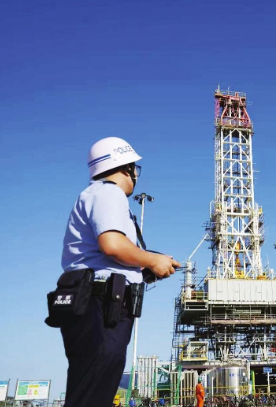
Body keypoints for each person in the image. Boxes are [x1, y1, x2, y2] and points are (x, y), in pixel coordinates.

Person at [57, 137, 181, 407]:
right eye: (135, 168)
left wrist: (148, 265)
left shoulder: (98, 195)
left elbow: (109, 253)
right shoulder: (108, 193)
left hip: (95, 300)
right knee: (93, 392)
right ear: (128, 168)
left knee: (91, 388)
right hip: (101, 303)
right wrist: (152, 260)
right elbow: (112, 245)